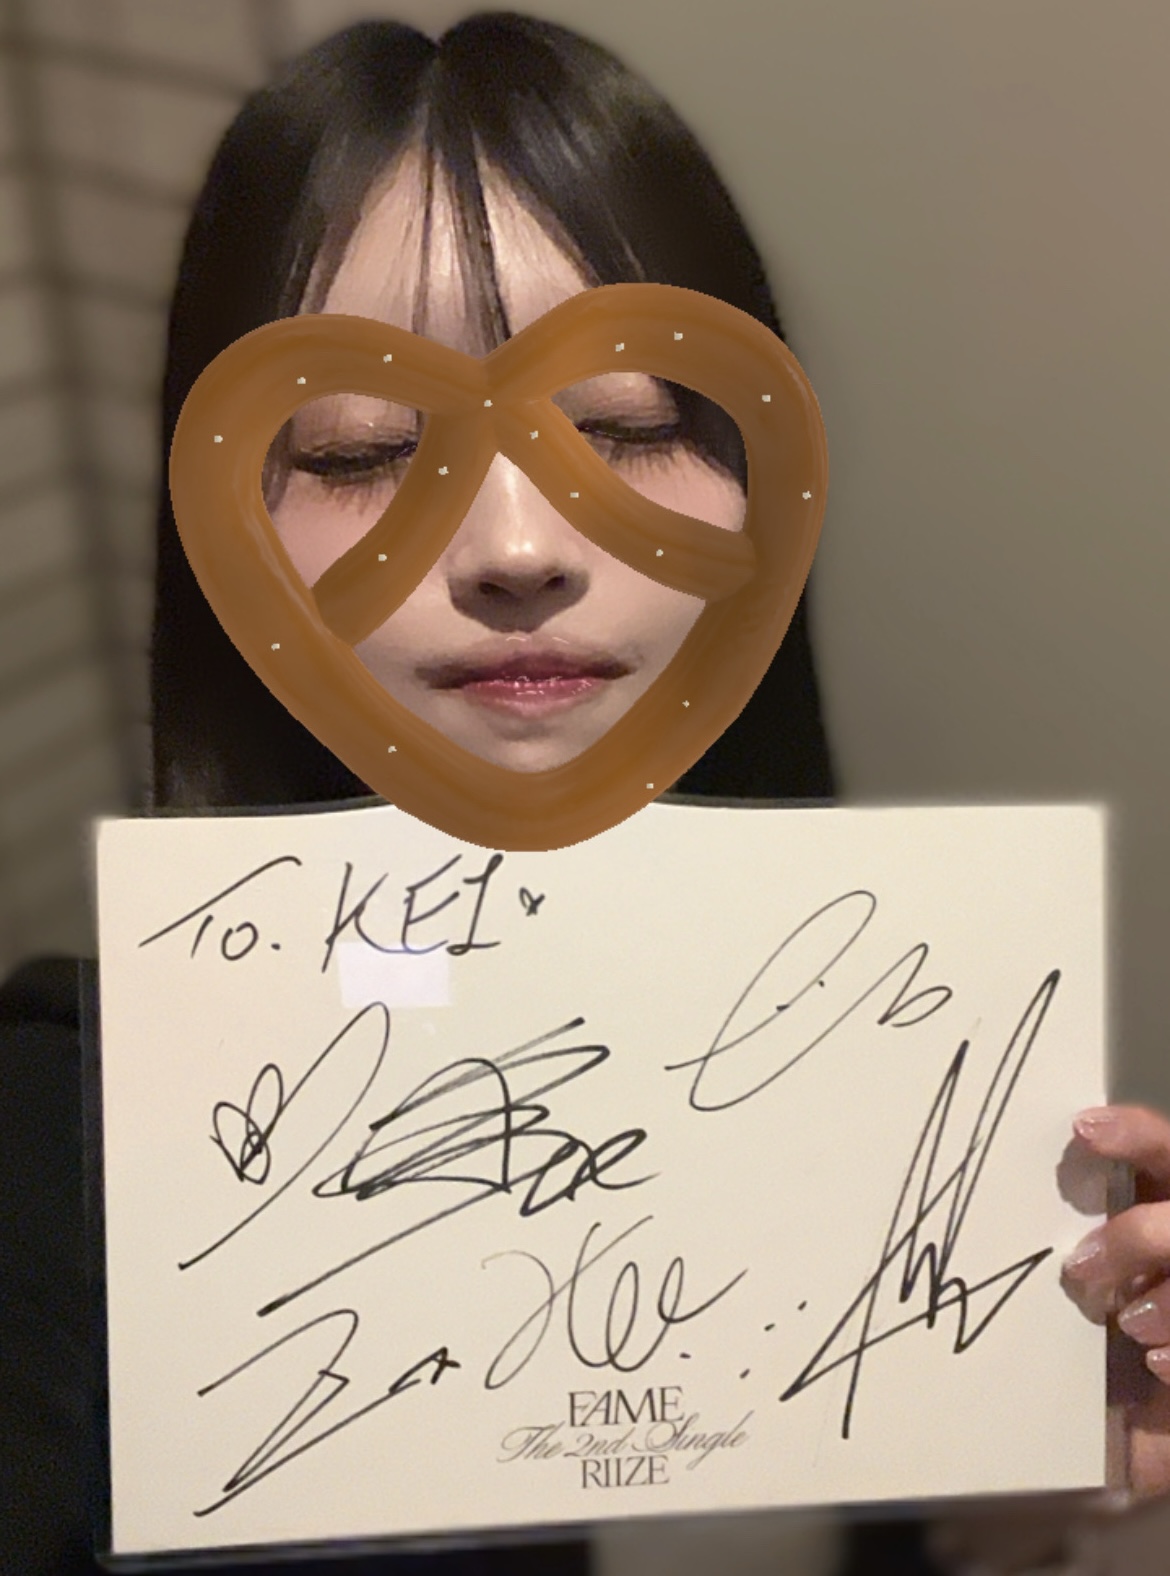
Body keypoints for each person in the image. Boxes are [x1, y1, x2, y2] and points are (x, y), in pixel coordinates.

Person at [1, 13, 1167, 1576]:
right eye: (358, 448)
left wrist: (1009, 1497)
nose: (516, 547)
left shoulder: (930, 1095)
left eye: (626, 426)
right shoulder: (57, 1151)